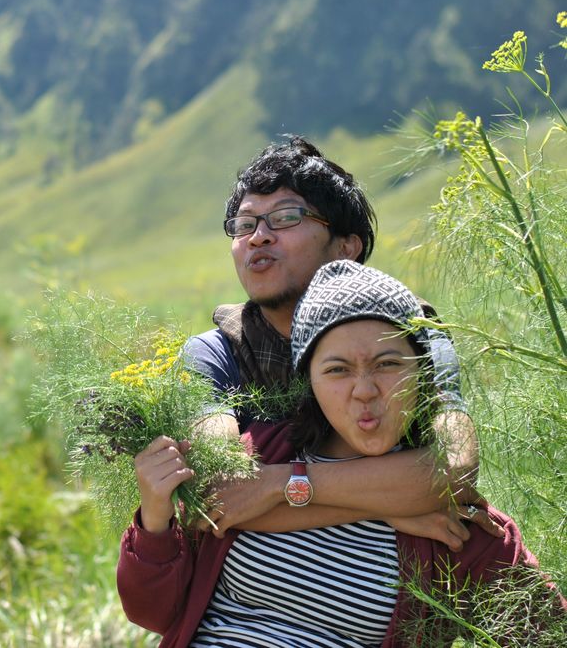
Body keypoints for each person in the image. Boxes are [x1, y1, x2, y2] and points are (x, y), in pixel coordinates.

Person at [118, 260, 564, 647]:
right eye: (337, 370)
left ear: (422, 371)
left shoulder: (452, 525)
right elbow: (154, 613)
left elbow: (546, 634)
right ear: (307, 380)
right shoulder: (257, 457)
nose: (365, 390)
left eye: (388, 364)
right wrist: (155, 520)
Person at [179, 136, 494, 545]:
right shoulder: (216, 353)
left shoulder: (411, 333)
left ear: (346, 247)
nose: (258, 237)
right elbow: (217, 490)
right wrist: (386, 508)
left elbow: (453, 467)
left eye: (286, 217)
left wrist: (278, 484)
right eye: (244, 224)